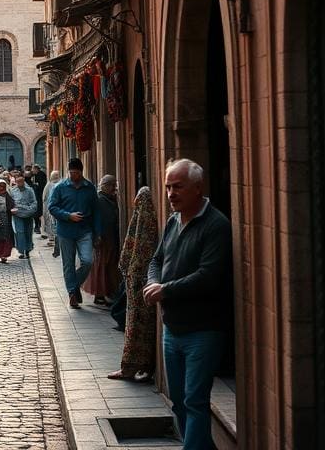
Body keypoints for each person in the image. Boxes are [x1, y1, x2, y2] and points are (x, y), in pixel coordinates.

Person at [145, 160, 232, 450]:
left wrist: (165, 290)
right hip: (172, 329)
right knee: (180, 403)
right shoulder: (173, 220)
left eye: (177, 186)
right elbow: (157, 259)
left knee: (195, 401)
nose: (170, 193)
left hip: (203, 330)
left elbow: (208, 276)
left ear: (198, 188)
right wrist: (153, 282)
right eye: (168, 186)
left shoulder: (216, 225)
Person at [109, 186, 159, 382]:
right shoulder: (143, 219)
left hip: (141, 283)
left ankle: (134, 366)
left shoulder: (145, 221)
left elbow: (140, 252)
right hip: (138, 282)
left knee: (138, 326)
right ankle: (139, 366)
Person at [47, 158, 99, 309]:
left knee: (87, 261)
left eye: (76, 173)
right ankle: (72, 294)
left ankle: (73, 285)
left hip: (85, 230)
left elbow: (96, 211)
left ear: (81, 172)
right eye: (71, 172)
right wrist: (68, 215)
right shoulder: (60, 187)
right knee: (68, 264)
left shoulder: (89, 187)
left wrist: (98, 232)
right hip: (66, 231)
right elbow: (52, 207)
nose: (73, 175)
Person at [84, 175, 122, 305]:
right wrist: (96, 236)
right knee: (102, 266)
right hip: (102, 239)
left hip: (110, 237)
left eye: (114, 185)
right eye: (111, 185)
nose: (114, 188)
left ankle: (105, 292)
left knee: (108, 265)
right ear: (105, 186)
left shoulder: (110, 199)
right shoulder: (100, 200)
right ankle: (101, 293)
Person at [10, 172, 39, 259]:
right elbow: (11, 203)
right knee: (20, 232)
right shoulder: (13, 191)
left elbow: (34, 202)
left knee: (28, 232)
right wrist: (12, 210)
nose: (20, 184)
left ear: (24, 181)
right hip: (18, 215)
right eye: (18, 182)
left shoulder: (29, 190)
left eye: (21, 182)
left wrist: (30, 210)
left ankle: (28, 250)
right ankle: (21, 251)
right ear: (15, 182)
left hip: (28, 215)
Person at [42, 169, 61, 251]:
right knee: (51, 222)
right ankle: (52, 237)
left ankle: (55, 237)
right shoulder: (50, 185)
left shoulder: (58, 184)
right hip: (51, 207)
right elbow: (44, 198)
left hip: (55, 207)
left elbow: (44, 197)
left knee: (54, 222)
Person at [32, 165, 48, 234]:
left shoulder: (40, 175)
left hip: (39, 195)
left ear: (36, 169)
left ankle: (38, 226)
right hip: (38, 195)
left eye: (33, 169)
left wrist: (35, 185)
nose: (32, 171)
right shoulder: (36, 175)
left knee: (39, 211)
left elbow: (41, 185)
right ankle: (38, 226)